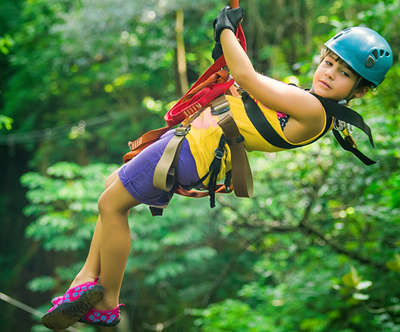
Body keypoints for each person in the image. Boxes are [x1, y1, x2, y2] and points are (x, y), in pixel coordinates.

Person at [41, 6, 393, 329]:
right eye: (329, 63)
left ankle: (108, 299)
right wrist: (230, 41)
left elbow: (248, 76)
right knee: (109, 188)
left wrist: (225, 30)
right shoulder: (309, 101)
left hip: (194, 149)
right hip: (196, 142)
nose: (330, 74)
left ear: (358, 91)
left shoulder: (314, 110)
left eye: (344, 74)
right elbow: (247, 84)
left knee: (110, 205)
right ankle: (86, 280)